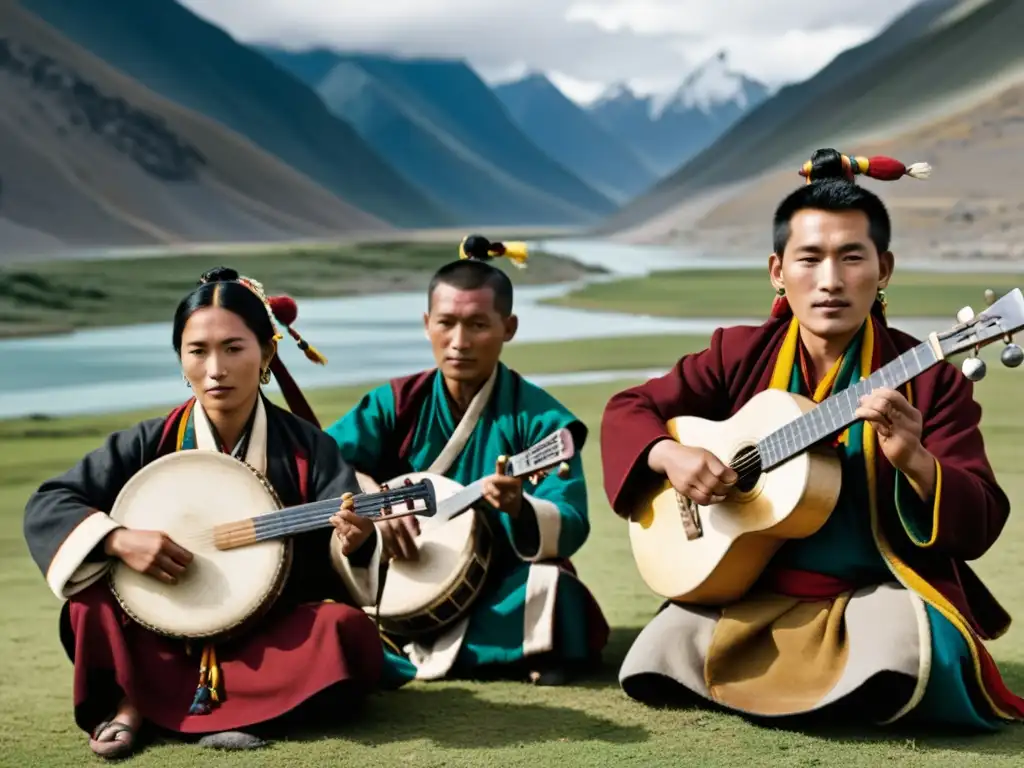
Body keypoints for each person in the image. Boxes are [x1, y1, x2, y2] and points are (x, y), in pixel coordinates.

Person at [600, 150, 1024, 730]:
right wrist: (669, 454)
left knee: (907, 647)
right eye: (810, 259)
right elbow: (631, 408)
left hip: (874, 594)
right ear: (778, 271)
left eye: (852, 257)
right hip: (749, 591)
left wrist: (918, 463)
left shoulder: (931, 377)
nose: (830, 281)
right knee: (653, 660)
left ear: (885, 268)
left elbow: (981, 518)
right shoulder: (737, 354)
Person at [23, 267, 387, 759]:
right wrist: (118, 540)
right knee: (89, 605)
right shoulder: (149, 441)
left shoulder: (308, 449)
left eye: (233, 348)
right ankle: (145, 703)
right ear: (181, 360)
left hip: (268, 642)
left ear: (267, 353)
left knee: (345, 631)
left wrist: (356, 542)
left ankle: (147, 705)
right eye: (198, 351)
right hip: (163, 631)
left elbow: (345, 560)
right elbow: (51, 503)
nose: (215, 368)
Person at [323, 234, 610, 687]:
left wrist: (520, 508)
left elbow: (571, 518)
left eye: (478, 325)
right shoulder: (393, 403)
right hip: (397, 572)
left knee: (557, 592)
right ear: (426, 324)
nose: (459, 342)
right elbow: (321, 461)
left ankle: (395, 648)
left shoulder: (541, 420)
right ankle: (508, 654)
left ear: (508, 327)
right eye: (447, 323)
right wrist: (374, 502)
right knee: (325, 600)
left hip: (494, 582)